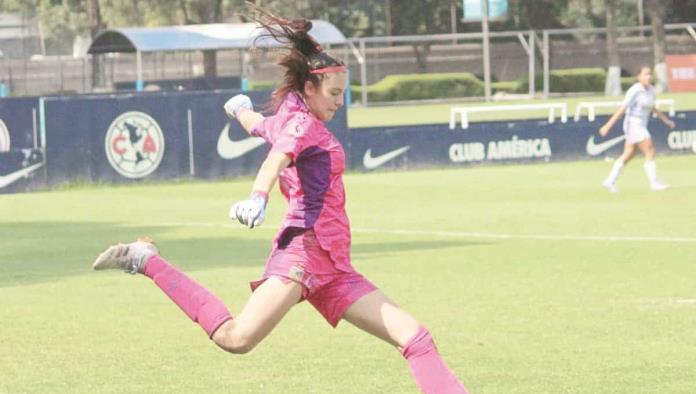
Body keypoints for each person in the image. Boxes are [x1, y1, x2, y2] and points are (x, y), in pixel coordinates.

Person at [92, 4, 467, 394]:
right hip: (303, 257)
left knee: (416, 338)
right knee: (235, 338)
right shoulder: (303, 124)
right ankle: (146, 260)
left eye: (344, 93)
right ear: (310, 88)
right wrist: (258, 196)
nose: (340, 102)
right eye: (334, 93)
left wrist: (241, 112)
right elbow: (276, 156)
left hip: (335, 267)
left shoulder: (294, 118)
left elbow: (263, 128)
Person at [599, 66, 675, 192]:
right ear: (638, 77)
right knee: (650, 150)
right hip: (633, 124)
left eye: (650, 74)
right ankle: (654, 183)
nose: (648, 77)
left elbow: (652, 107)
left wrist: (665, 120)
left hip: (641, 124)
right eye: (645, 74)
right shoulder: (635, 90)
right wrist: (608, 125)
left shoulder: (651, 90)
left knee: (629, 154)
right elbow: (623, 108)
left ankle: (609, 181)